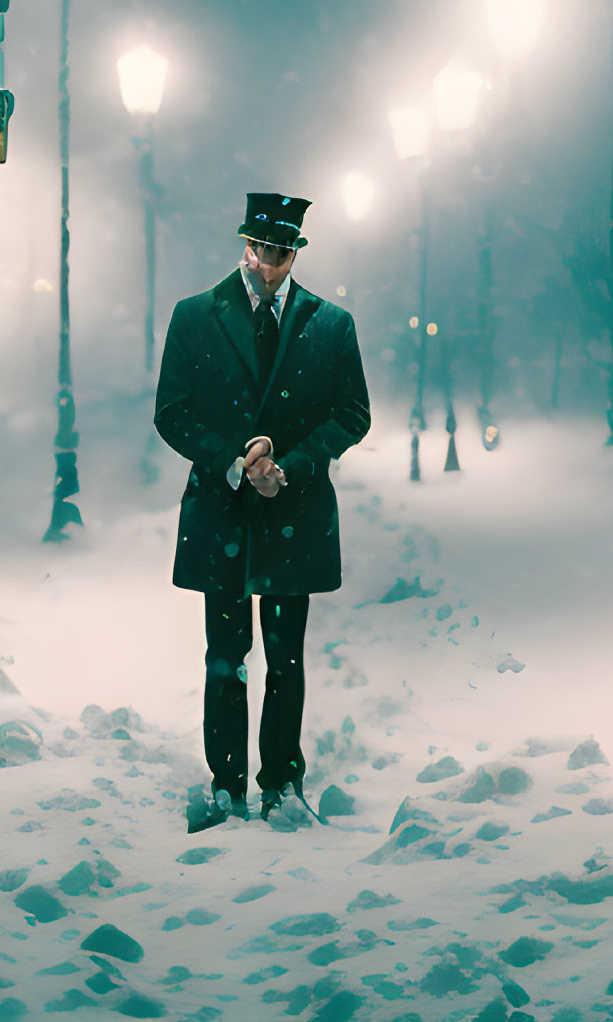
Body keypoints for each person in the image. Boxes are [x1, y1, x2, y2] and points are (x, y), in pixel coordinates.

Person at [152, 192, 371, 830]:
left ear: (296, 252)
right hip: (222, 510)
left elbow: (352, 414)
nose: (268, 266)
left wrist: (290, 466)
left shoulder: (332, 324)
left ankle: (280, 780)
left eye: (281, 254)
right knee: (225, 656)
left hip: (293, 513)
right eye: (260, 251)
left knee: (286, 658)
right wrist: (233, 460)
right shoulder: (195, 316)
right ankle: (227, 785)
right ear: (244, 244)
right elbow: (172, 410)